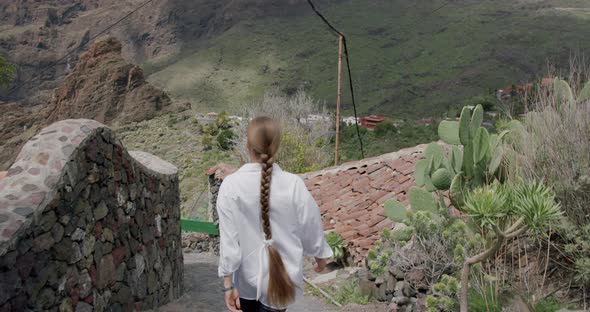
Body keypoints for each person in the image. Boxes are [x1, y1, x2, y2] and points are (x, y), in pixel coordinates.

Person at [217, 116, 333, 312]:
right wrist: (320, 255)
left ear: (247, 145)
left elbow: (229, 241)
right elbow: (310, 224)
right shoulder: (293, 184)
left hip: (246, 282)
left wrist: (228, 284)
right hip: (281, 283)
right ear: (276, 146)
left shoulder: (230, 185)